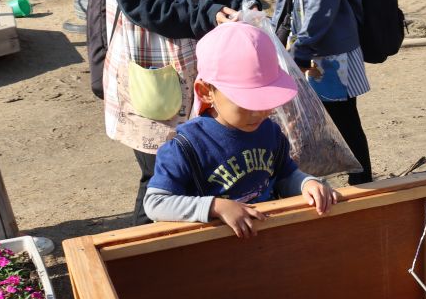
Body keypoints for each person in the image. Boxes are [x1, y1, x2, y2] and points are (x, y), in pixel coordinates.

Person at [99, 0, 258, 225]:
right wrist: (207, 15)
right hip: (151, 67)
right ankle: (143, 262)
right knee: (161, 178)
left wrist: (241, 2)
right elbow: (136, 2)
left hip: (205, 68)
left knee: (206, 168)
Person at [144, 22, 337, 238]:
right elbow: (155, 202)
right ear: (206, 91)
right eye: (246, 102)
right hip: (213, 248)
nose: (260, 112)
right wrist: (214, 207)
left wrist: (305, 183)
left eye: (265, 99)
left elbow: (285, 175)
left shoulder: (270, 132)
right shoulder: (186, 146)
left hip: (265, 238)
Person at [273, 0, 373, 185]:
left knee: (343, 122)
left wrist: (305, 45)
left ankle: (364, 193)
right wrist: (277, 33)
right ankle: (309, 188)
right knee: (303, 123)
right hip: (302, 39)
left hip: (331, 46)